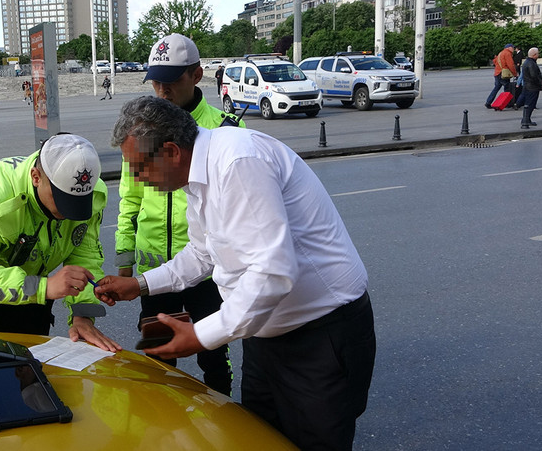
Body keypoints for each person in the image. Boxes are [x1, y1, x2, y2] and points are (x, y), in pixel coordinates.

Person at [97, 96, 376, 451]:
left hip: (320, 336)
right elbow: (202, 253)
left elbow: (273, 271)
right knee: (260, 438)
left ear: (170, 151)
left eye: (140, 167)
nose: (136, 179)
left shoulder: (237, 162)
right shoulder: (197, 177)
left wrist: (201, 335)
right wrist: (140, 284)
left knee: (315, 442)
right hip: (264, 334)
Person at [113, 33, 243, 396]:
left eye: (170, 80)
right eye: (155, 81)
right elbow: (129, 197)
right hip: (155, 268)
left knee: (213, 351)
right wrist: (125, 256)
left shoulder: (225, 129)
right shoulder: (141, 130)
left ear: (197, 75)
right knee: (157, 353)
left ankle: (222, 412)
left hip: (208, 271)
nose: (162, 90)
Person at [0, 133, 120, 353]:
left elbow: (84, 255)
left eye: (77, 203)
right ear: (35, 176)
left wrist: (83, 315)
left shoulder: (90, 189)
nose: (67, 213)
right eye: (62, 200)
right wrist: (43, 287)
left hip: (36, 291)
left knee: (30, 375)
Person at [485, 44, 517, 109]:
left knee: (496, 88)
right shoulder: (507, 53)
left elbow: (495, 61)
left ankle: (488, 102)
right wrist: (515, 74)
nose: (513, 49)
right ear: (509, 48)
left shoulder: (501, 53)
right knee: (507, 89)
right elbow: (511, 65)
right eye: (513, 48)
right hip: (503, 74)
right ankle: (507, 103)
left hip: (497, 73)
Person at [520, 47, 542, 129]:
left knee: (529, 104)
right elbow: (534, 76)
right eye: (537, 54)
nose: (538, 55)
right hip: (532, 87)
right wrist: (540, 83)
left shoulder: (527, 62)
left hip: (528, 86)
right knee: (530, 104)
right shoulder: (531, 63)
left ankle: (527, 120)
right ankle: (525, 121)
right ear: (534, 55)